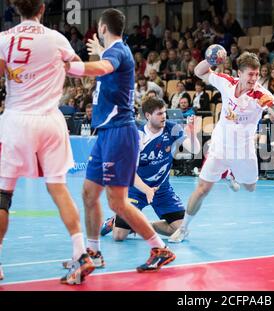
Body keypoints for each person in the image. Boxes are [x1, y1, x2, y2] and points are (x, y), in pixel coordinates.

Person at [65, 8, 175, 273]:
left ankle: (160, 248)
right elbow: (104, 66)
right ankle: (94, 253)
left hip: (119, 132)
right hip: (105, 133)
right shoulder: (111, 51)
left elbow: (104, 66)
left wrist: (72, 66)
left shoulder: (118, 51)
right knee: (89, 194)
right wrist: (96, 53)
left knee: (117, 202)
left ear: (103, 28)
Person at [168, 50, 274, 243]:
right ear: (239, 73)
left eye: (257, 74)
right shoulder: (227, 82)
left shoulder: (260, 95)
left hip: (243, 151)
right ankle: (183, 228)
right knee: (202, 189)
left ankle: (231, 173)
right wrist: (210, 58)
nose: (254, 78)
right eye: (250, 74)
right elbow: (200, 72)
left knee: (250, 187)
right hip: (220, 145)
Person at [0, 0, 93, 284]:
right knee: (59, 188)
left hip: (17, 121)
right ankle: (80, 252)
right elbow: (80, 71)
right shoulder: (57, 39)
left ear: (17, 10)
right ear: (42, 9)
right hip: (52, 121)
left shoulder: (3, 39)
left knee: (3, 195)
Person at [100, 97, 200, 241]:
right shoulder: (137, 136)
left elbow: (195, 149)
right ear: (148, 116)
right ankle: (114, 221)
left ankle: (141, 225)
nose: (164, 116)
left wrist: (192, 133)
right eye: (159, 113)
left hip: (162, 190)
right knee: (119, 236)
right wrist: (147, 190)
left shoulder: (173, 129)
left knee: (180, 229)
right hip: (137, 189)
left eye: (165, 112)